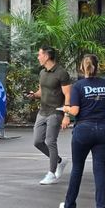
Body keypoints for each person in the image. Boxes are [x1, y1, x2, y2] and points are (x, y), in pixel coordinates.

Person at [59, 54, 105, 208]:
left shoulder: (78, 86)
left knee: (77, 168)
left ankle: (70, 206)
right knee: (99, 169)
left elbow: (75, 111)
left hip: (83, 129)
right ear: (97, 67)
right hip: (104, 128)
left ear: (82, 68)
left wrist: (65, 109)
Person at [28, 45, 71, 185]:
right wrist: (34, 95)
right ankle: (59, 161)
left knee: (50, 141)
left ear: (46, 56)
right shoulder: (42, 73)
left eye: (39, 54)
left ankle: (52, 173)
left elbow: (68, 95)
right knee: (37, 141)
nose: (38, 57)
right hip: (43, 111)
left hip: (56, 111)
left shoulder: (61, 73)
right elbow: (42, 91)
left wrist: (66, 115)